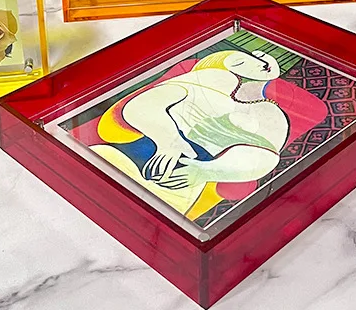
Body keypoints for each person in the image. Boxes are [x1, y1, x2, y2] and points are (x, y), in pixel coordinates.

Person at [88, 48, 328, 220]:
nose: (260, 62)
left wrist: (206, 171)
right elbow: (142, 105)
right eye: (241, 61)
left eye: (261, 60)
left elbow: (264, 159)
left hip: (181, 184)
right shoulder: (206, 79)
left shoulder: (272, 115)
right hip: (122, 157)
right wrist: (169, 141)